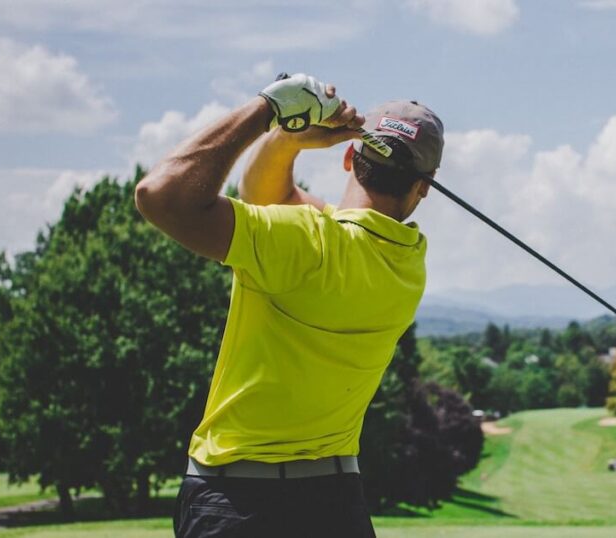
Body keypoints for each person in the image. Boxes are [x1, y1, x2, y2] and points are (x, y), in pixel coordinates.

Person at [135, 72, 444, 537]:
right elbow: (270, 196)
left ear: (348, 156)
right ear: (424, 186)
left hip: (237, 502)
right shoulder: (407, 265)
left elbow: (159, 196)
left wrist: (269, 109)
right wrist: (283, 140)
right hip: (338, 505)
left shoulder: (303, 242)